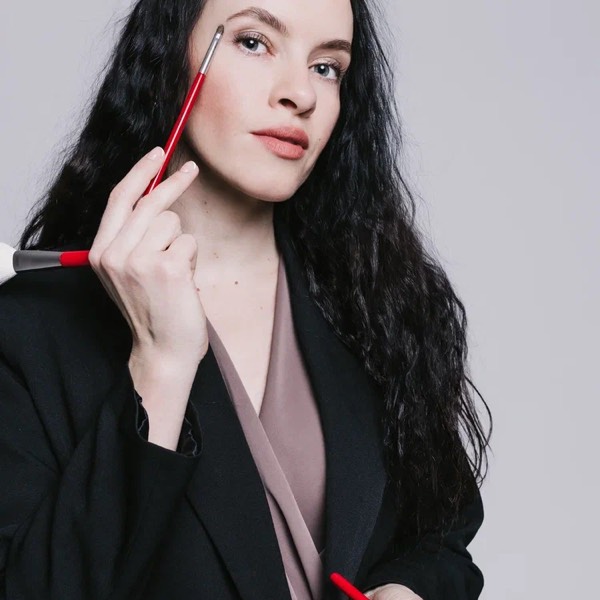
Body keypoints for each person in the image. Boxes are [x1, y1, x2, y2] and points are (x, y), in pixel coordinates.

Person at [0, 0, 492, 598]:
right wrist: (160, 369)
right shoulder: (28, 330)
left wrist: (406, 592)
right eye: (254, 42)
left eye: (327, 67)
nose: (300, 95)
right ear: (169, 55)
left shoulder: (380, 302)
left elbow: (441, 537)